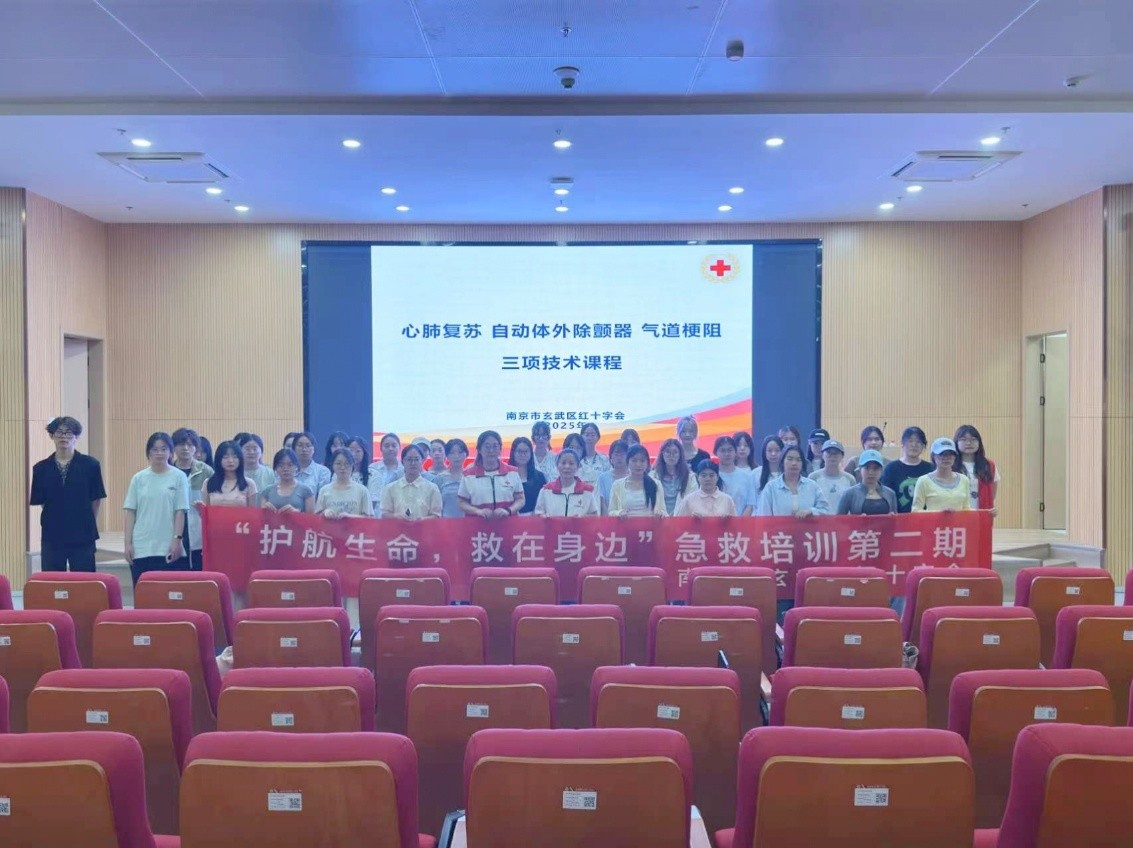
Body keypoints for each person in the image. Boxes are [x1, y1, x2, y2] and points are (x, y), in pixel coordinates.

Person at [29, 416, 107, 572]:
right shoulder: (41, 468)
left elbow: (96, 499)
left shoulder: (91, 465)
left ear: (76, 436)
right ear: (51, 435)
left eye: (69, 433)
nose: (64, 437)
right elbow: (43, 502)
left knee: (84, 579)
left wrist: (85, 519)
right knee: (53, 579)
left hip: (83, 531)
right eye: (59, 432)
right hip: (52, 532)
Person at [123, 432, 190, 585]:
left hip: (167, 545)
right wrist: (128, 543)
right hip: (141, 545)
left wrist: (177, 540)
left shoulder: (179, 476)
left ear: (170, 452)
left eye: (164, 449)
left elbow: (180, 512)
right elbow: (130, 512)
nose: (159, 453)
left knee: (167, 593)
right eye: (155, 449)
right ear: (148, 453)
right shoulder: (139, 478)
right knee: (142, 592)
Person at [170, 427, 212, 570]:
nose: (185, 448)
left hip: (198, 527)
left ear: (196, 448)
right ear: (174, 447)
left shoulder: (206, 471)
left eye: (190, 444)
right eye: (181, 444)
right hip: (173, 527)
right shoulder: (168, 470)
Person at [459, 430, 525, 518]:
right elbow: (461, 502)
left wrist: (509, 510)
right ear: (479, 450)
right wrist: (477, 511)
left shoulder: (512, 472)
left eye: (495, 446)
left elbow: (520, 499)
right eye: (487, 446)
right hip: (477, 524)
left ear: (500, 449)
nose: (491, 450)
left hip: (508, 523)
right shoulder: (468, 475)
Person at [757, 444, 830, 517]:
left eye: (798, 460)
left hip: (808, 525)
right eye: (790, 459)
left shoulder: (812, 486)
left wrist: (811, 511)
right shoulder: (771, 487)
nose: (794, 463)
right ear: (782, 462)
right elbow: (763, 516)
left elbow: (825, 510)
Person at [880, 426, 934, 514]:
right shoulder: (891, 468)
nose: (914, 445)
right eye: (910, 441)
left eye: (918, 442)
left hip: (925, 518)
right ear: (902, 444)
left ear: (923, 446)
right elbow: (886, 495)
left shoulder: (931, 468)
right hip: (898, 518)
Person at [381, 444, 443, 519]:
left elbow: (437, 515)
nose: (413, 463)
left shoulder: (432, 488)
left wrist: (422, 520)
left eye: (416, 459)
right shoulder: (390, 488)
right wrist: (396, 517)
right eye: (409, 459)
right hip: (397, 526)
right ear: (403, 461)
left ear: (422, 461)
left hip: (423, 526)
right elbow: (384, 514)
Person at [534, 449, 600, 516]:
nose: (567, 467)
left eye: (571, 463)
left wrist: (582, 518)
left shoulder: (587, 491)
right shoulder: (546, 490)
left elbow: (594, 515)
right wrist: (543, 516)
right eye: (563, 463)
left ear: (578, 466)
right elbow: (538, 514)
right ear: (557, 466)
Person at [911, 437, 971, 512]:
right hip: (932, 520)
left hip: (959, 520)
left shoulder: (964, 480)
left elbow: (967, 510)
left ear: (955, 457)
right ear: (933, 456)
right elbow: (915, 511)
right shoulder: (923, 481)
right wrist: (940, 514)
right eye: (942, 454)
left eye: (950, 454)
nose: (946, 458)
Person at [955, 424, 1000, 516]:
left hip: (981, 515)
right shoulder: (951, 465)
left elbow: (992, 494)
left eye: (973, 439)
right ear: (956, 442)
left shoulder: (989, 465)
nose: (968, 443)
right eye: (963, 439)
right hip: (957, 516)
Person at [609, 445, 667, 517]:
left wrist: (660, 513)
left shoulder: (656, 484)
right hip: (626, 524)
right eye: (634, 460)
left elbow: (664, 512)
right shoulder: (617, 485)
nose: (638, 464)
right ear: (627, 462)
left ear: (647, 463)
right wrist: (619, 513)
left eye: (642, 461)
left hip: (650, 524)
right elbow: (611, 512)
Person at [316, 448, 374, 517]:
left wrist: (350, 517)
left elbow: (369, 518)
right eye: (338, 463)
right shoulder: (324, 490)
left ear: (352, 465)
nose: (342, 467)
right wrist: (325, 512)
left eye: (347, 463)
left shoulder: (362, 490)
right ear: (332, 465)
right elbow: (317, 517)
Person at [837, 449, 898, 515]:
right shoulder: (850, 493)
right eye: (867, 468)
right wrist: (856, 519)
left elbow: (895, 518)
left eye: (875, 468)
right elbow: (839, 519)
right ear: (860, 469)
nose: (871, 472)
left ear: (881, 470)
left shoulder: (890, 493)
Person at [200, 440, 258, 507]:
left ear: (240, 459)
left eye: (235, 457)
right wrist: (199, 508)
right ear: (219, 459)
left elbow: (253, 512)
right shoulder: (208, 483)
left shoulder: (249, 483)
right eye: (225, 457)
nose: (230, 460)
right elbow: (205, 511)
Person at [259, 448, 315, 513]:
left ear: (296, 467)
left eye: (290, 465)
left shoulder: (306, 491)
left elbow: (311, 518)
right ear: (275, 468)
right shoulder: (267, 491)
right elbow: (261, 516)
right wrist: (264, 510)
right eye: (281, 465)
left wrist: (297, 514)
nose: (285, 469)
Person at [651, 438, 695, 516]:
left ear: (680, 455)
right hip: (658, 519)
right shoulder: (652, 476)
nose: (671, 456)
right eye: (668, 452)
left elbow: (693, 500)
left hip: (682, 519)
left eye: (675, 452)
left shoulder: (689, 477)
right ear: (662, 454)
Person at [714, 435, 755, 516]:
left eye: (730, 450)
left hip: (741, 522)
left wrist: (738, 522)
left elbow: (750, 505)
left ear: (735, 452)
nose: (726, 454)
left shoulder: (747, 476)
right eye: (722, 450)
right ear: (716, 453)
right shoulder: (712, 476)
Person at [808, 439, 856, 504]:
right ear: (822, 455)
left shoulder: (850, 479)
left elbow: (853, 503)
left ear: (842, 456)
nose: (833, 456)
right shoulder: (813, 477)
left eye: (836, 453)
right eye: (829, 452)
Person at [509, 436, 547, 515]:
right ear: (513, 453)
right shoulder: (505, 476)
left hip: (534, 518)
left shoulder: (539, 477)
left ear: (531, 453)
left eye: (526, 451)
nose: (523, 455)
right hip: (510, 517)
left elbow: (545, 501)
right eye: (519, 451)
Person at [367, 432, 404, 510]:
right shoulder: (372, 468)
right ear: (381, 448)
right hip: (374, 511)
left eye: (394, 446)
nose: (390, 448)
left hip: (397, 511)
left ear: (399, 448)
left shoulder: (404, 470)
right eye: (387, 446)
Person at [437, 438, 469, 517]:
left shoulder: (471, 477)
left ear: (466, 454)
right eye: (452, 453)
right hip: (446, 522)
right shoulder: (440, 478)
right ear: (447, 456)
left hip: (468, 522)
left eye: (460, 452)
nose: (456, 456)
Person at [596, 439, 629, 515]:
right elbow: (602, 504)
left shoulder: (634, 476)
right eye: (616, 454)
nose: (619, 457)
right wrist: (609, 520)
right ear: (611, 457)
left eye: (623, 454)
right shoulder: (602, 478)